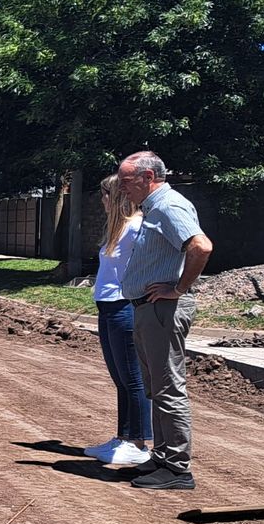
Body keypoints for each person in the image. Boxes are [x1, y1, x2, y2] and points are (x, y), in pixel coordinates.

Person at [117, 151, 214, 491]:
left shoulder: (170, 205)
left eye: (126, 181)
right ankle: (162, 458)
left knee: (168, 389)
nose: (122, 188)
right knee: (156, 388)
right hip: (149, 309)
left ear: (148, 177)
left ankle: (177, 469)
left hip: (163, 310)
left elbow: (200, 247)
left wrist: (179, 288)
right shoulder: (154, 208)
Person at [84, 175, 152, 467]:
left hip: (125, 307)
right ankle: (123, 437)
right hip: (109, 307)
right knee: (120, 379)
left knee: (133, 379)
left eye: (105, 195)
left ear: (117, 197)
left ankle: (139, 442)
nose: (102, 201)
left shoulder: (137, 227)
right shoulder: (119, 229)